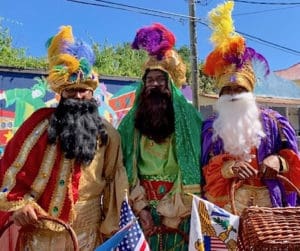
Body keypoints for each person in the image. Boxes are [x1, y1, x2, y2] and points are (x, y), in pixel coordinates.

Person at [0, 25, 128, 250]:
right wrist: (18, 205)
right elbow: (8, 171)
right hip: (39, 234)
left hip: (87, 235)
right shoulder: (38, 125)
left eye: (83, 90)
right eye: (71, 91)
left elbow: (112, 184)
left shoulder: (109, 135)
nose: (78, 96)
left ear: (92, 92)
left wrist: (111, 231)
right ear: (61, 93)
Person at [201, 1, 300, 215]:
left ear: (250, 93)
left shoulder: (275, 122)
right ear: (220, 95)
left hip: (270, 212)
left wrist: (279, 161)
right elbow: (205, 174)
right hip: (227, 215)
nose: (233, 95)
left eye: (239, 89)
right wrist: (229, 168)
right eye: (227, 90)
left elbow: (295, 163)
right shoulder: (211, 128)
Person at [118, 23, 203, 251]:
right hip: (140, 211)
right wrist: (141, 207)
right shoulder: (130, 124)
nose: (154, 84)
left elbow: (194, 166)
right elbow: (123, 166)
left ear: (171, 84)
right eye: (150, 79)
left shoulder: (189, 119)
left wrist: (175, 210)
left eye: (161, 79)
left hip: (179, 212)